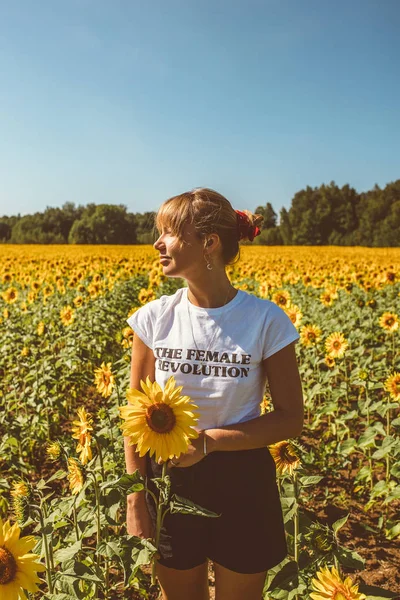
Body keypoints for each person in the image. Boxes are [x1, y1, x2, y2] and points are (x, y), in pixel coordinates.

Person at [124, 188, 304, 600]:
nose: (157, 243)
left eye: (169, 232)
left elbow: (291, 417)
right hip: (168, 481)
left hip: (242, 480)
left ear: (209, 243)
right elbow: (134, 416)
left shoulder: (264, 320)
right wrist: (136, 499)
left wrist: (208, 443)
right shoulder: (153, 319)